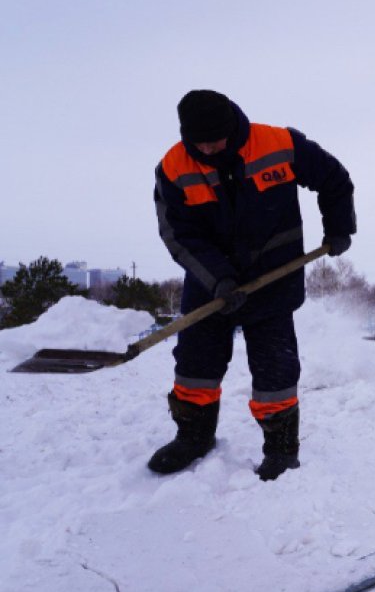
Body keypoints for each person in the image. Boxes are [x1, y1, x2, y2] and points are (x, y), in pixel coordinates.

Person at [149, 90, 355, 481]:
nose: (209, 147)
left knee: (275, 368)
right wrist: (218, 279)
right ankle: (193, 437)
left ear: (232, 126)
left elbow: (333, 178)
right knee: (195, 365)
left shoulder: (279, 143)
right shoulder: (173, 167)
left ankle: (281, 450)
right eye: (200, 142)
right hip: (211, 283)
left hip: (273, 277)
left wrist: (340, 225)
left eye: (216, 138)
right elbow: (178, 234)